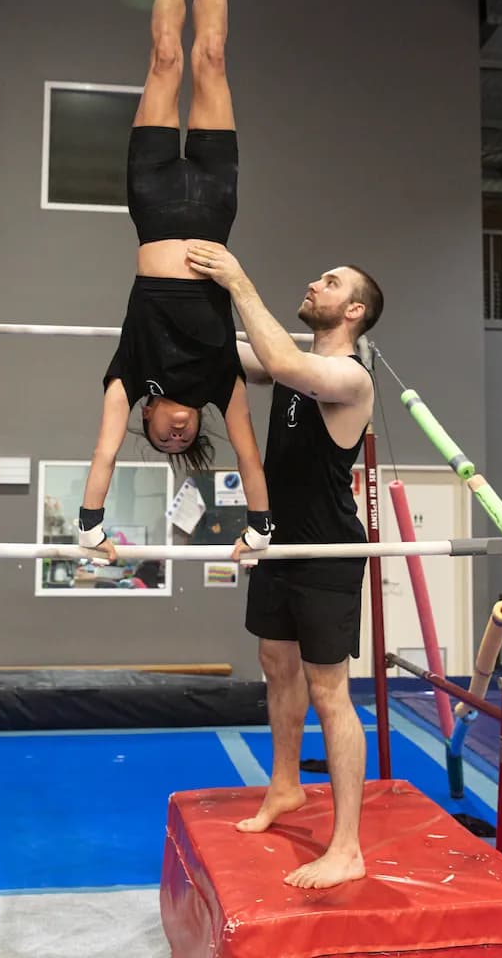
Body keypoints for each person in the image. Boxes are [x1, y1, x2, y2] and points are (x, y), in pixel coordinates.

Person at [78, 0, 271, 566]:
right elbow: (250, 457)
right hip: (215, 206)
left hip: (154, 203)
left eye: (162, 436)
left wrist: (90, 530)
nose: (175, 434)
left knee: (166, 58)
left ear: (148, 421)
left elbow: (102, 452)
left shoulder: (127, 377)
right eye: (182, 441)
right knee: (211, 59)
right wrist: (258, 529)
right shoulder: (222, 378)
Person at [186, 241, 383, 890]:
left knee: (330, 691)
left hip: (326, 554)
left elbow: (272, 355)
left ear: (352, 310)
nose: (313, 281)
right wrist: (172, 322)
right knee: (276, 665)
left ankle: (347, 846)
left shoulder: (349, 378)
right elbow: (236, 357)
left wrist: (239, 280)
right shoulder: (294, 367)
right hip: (278, 545)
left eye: (328, 281)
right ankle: (286, 787)